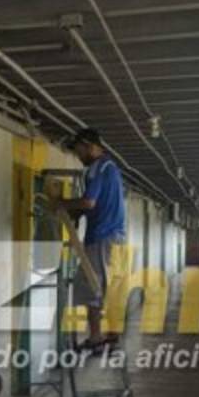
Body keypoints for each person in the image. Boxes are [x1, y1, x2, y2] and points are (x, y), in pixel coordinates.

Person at [55, 127, 127, 353]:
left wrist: (60, 203)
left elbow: (88, 203)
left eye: (78, 151)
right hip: (115, 236)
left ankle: (96, 338)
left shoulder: (98, 168)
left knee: (90, 286)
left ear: (89, 146)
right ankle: (112, 335)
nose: (78, 156)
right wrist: (75, 213)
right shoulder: (111, 168)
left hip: (102, 237)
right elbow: (94, 206)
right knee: (108, 286)